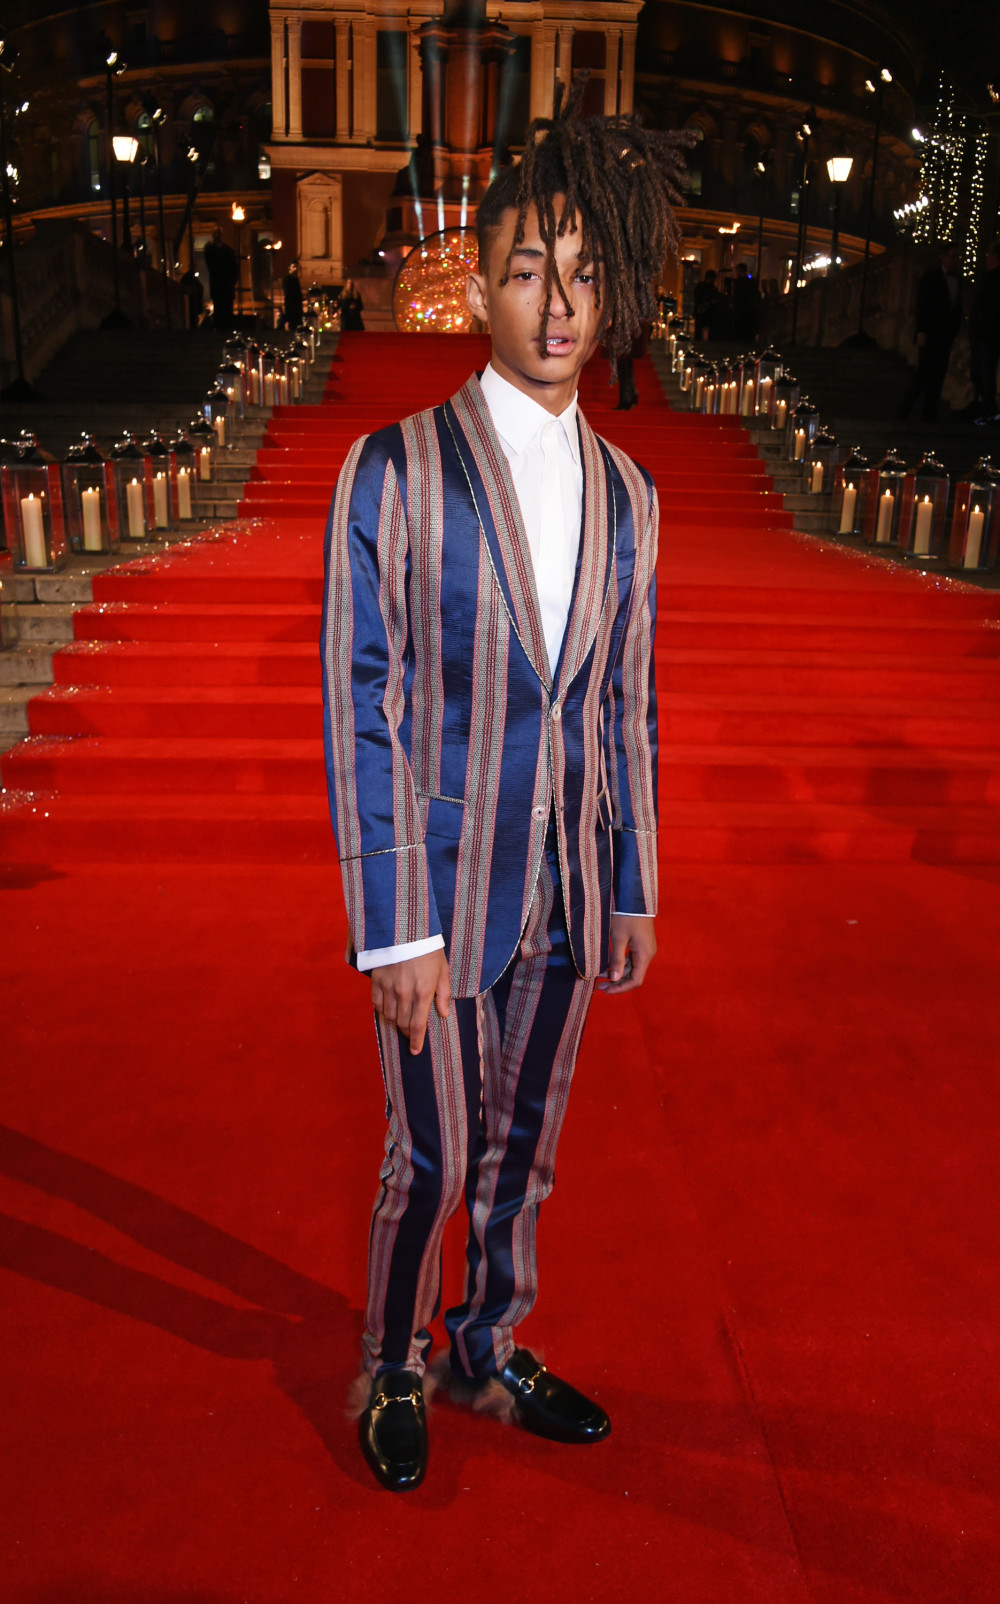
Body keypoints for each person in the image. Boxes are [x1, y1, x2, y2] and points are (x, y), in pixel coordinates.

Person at [322, 81, 690, 1494]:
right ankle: (398, 1367)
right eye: (532, 268)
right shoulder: (395, 471)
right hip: (439, 891)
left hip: (564, 890)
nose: (557, 303)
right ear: (479, 276)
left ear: (616, 299)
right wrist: (392, 925)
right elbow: (365, 704)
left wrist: (636, 882)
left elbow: (625, 705)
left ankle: (487, 1345)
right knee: (433, 1150)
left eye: (588, 275)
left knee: (524, 1151)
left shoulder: (637, 497)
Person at [898, 242, 963, 422]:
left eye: (957, 257)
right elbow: (922, 306)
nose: (955, 260)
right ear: (943, 257)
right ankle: (905, 410)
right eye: (952, 256)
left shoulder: (957, 280)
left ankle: (929, 412)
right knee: (923, 373)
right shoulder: (931, 277)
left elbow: (956, 308)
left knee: (939, 374)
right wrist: (921, 332)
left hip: (945, 335)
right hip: (930, 333)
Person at [969, 241, 1000, 424]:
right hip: (987, 335)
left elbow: (987, 309)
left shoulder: (992, 279)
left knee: (983, 373)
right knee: (982, 374)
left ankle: (988, 410)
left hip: (987, 336)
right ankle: (986, 409)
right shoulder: (990, 278)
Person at [202, 226, 239, 332]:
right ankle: (220, 327)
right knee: (219, 308)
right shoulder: (211, 249)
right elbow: (211, 266)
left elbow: (234, 268)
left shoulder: (227, 251)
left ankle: (226, 328)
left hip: (226, 285)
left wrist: (232, 280)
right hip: (219, 284)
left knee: (227, 309)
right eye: (216, 233)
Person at [281, 260, 304, 330]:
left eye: (296, 267)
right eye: (293, 266)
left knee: (297, 321)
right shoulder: (287, 278)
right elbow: (288, 292)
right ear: (289, 267)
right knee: (292, 321)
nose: (295, 269)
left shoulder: (296, 279)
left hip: (297, 304)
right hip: (291, 304)